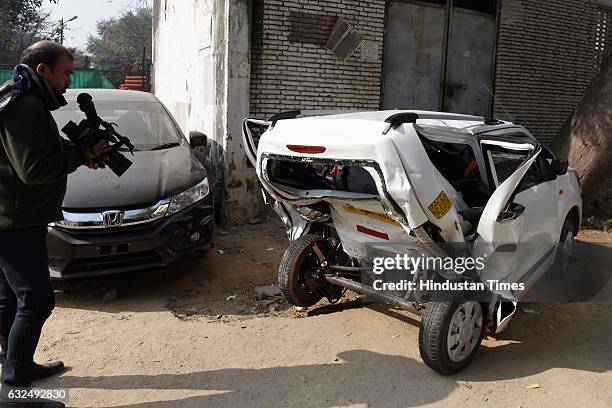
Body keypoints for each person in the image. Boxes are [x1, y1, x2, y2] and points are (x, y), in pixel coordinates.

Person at [0, 41, 109, 407]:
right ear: (43, 70)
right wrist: (79, 155)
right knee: (36, 300)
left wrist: (77, 154)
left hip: (12, 215)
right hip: (15, 220)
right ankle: (14, 388)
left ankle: (17, 366)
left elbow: (38, 157)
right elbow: (33, 170)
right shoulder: (25, 106)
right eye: (65, 73)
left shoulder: (22, 99)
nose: (68, 81)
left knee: (11, 299)